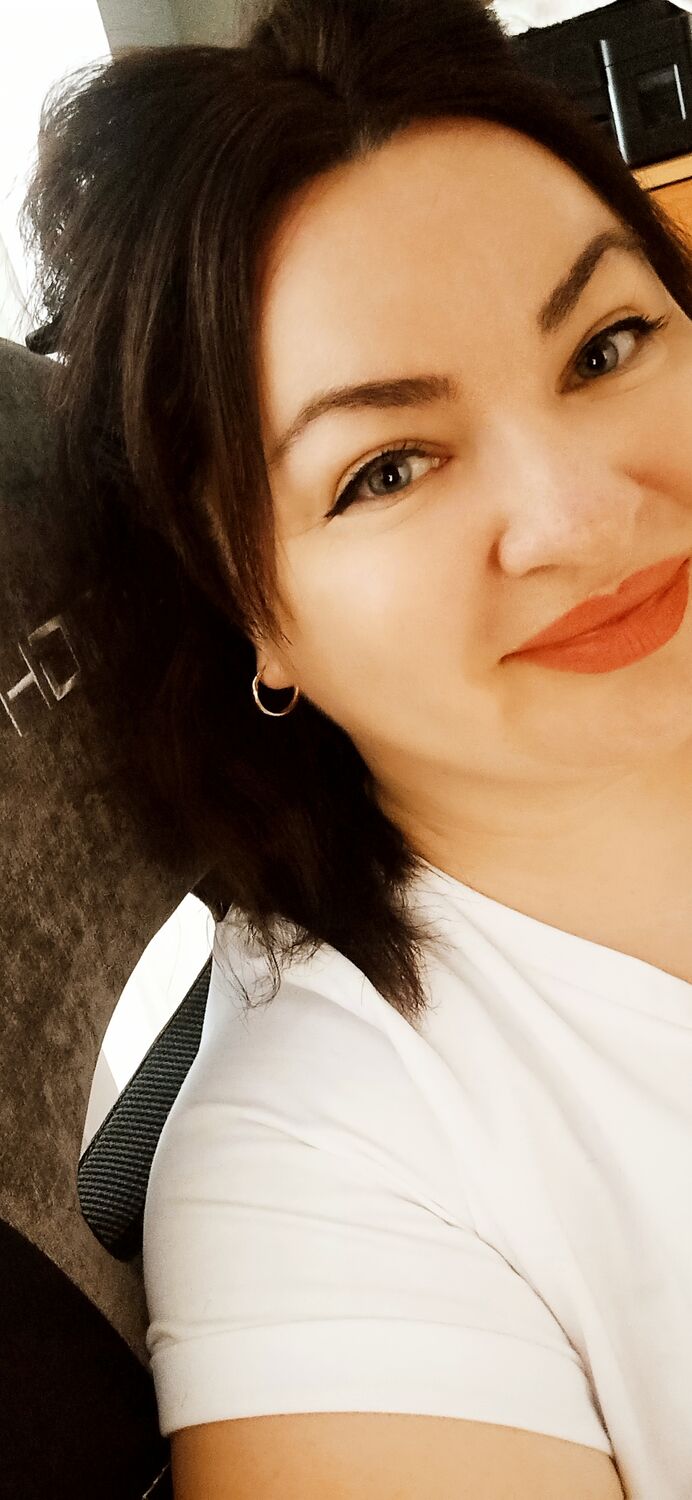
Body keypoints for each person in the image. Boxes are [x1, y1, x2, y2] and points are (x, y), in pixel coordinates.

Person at [19, 0, 692, 1494]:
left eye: (608, 344)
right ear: (246, 607)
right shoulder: (321, 1180)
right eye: (385, 469)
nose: (581, 515)